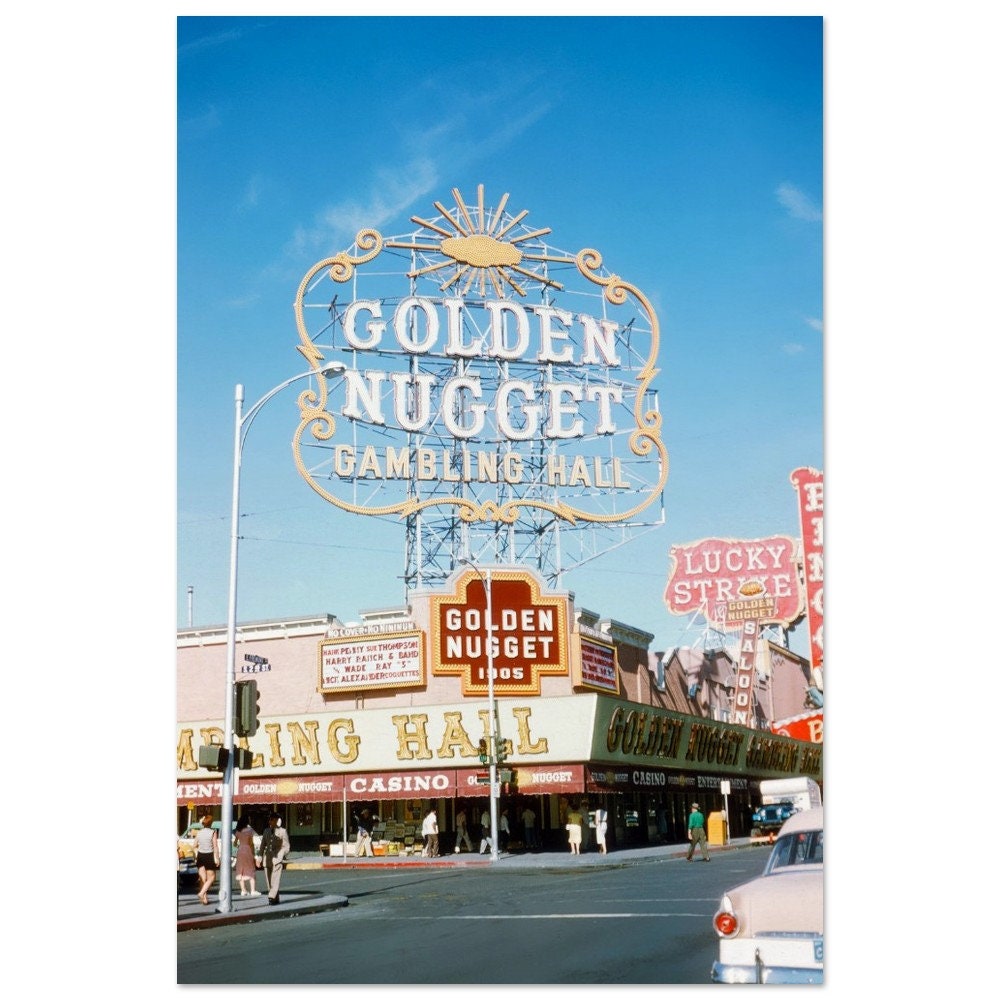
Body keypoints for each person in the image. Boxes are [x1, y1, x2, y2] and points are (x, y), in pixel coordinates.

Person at [261, 812, 291, 904]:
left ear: (277, 820)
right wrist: (259, 856)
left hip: (277, 859)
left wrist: (281, 854)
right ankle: (275, 898)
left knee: (275, 879)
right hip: (267, 859)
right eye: (269, 819)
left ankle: (271, 896)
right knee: (269, 880)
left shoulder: (282, 831)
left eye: (272, 819)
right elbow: (263, 845)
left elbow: (287, 846)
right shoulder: (266, 831)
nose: (270, 821)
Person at [195, 813, 219, 905]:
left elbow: (194, 845)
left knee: (203, 878)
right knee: (211, 877)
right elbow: (215, 846)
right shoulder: (213, 832)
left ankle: (204, 899)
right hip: (209, 855)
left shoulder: (199, 832)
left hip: (200, 855)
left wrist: (200, 849)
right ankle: (201, 893)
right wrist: (217, 858)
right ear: (211, 823)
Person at [234, 816, 261, 897]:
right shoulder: (250, 830)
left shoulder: (238, 831)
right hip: (247, 849)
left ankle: (243, 890)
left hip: (240, 850)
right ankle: (253, 890)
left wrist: (239, 846)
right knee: (251, 868)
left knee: (240, 870)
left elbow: (234, 843)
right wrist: (254, 854)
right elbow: (251, 843)